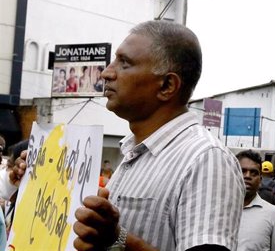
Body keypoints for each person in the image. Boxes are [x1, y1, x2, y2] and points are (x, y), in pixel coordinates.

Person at [72, 20, 244, 251]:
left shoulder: (205, 159)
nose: (106, 72)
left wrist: (118, 240)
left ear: (166, 86)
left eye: (124, 63)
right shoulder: (134, 152)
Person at [237, 150, 275, 251]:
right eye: (242, 171)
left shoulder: (274, 215)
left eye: (253, 173)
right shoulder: (217, 211)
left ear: (260, 180)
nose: (247, 176)